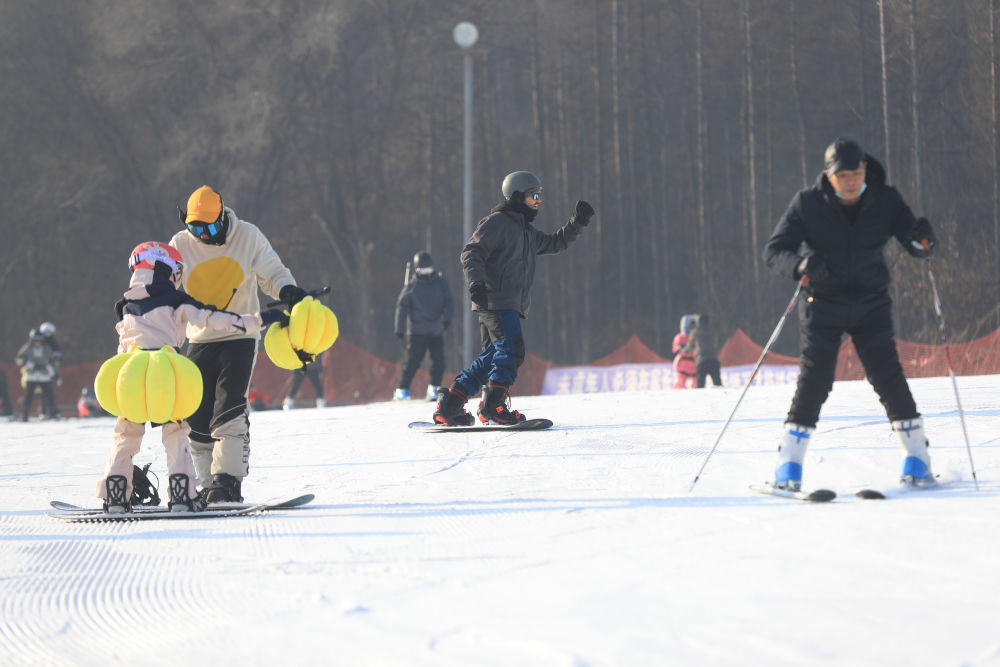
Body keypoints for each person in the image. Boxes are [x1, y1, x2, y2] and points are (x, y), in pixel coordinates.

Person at [763, 137, 938, 491]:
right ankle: (789, 465)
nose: (850, 181)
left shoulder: (884, 199)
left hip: (870, 303)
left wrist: (923, 240)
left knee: (887, 376)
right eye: (842, 175)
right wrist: (799, 265)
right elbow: (774, 250)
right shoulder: (807, 204)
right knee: (815, 381)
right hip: (822, 304)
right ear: (829, 176)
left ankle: (918, 458)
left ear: (865, 171)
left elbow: (912, 237)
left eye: (856, 173)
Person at [98, 241, 288, 512]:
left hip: (131, 374)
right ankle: (182, 495)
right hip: (165, 374)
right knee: (176, 432)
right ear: (164, 268)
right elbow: (216, 319)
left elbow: (122, 348)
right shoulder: (176, 301)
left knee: (126, 434)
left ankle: (116, 494)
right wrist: (260, 318)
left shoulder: (126, 306)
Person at [171, 185, 305, 503]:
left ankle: (228, 481)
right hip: (199, 337)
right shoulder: (179, 245)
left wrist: (287, 291)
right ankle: (208, 484)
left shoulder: (247, 236)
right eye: (195, 228)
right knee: (197, 415)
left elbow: (272, 271)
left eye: (211, 227)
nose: (203, 235)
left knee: (228, 405)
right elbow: (165, 285)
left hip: (240, 335)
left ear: (223, 218)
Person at [433, 171, 594, 425]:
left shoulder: (527, 232)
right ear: (518, 196)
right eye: (534, 195)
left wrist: (577, 223)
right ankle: (493, 406)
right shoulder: (497, 223)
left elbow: (556, 243)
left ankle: (451, 403)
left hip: (508, 303)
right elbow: (471, 251)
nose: (539, 201)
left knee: (492, 357)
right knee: (511, 349)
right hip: (495, 300)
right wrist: (475, 283)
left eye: (541, 196)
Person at [393, 251, 455, 401]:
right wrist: (399, 329)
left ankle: (434, 388)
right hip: (417, 331)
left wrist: (448, 319)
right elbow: (401, 307)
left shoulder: (441, 283)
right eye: (423, 270)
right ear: (417, 269)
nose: (427, 273)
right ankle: (402, 389)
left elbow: (449, 301)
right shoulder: (412, 286)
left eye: (429, 269)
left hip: (436, 330)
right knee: (412, 361)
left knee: (439, 362)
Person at [15, 330, 59, 421]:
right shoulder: (27, 348)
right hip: (31, 375)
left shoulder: (47, 348)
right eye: (35, 341)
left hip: (44, 376)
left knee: (48, 396)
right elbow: (18, 358)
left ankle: (52, 414)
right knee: (28, 396)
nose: (37, 343)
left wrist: (56, 374)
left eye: (39, 341)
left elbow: (53, 361)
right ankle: (24, 415)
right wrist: (25, 362)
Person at [682, 313, 722, 388]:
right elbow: (717, 343)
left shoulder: (695, 332)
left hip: (701, 361)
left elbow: (689, 348)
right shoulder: (713, 331)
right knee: (718, 384)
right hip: (713, 360)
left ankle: (699, 400)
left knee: (700, 385)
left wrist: (682, 350)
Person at [672, 315, 696, 389]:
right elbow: (675, 350)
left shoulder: (695, 336)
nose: (692, 327)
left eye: (693, 325)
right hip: (683, 364)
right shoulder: (679, 337)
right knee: (680, 383)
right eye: (691, 325)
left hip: (694, 363)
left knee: (696, 384)